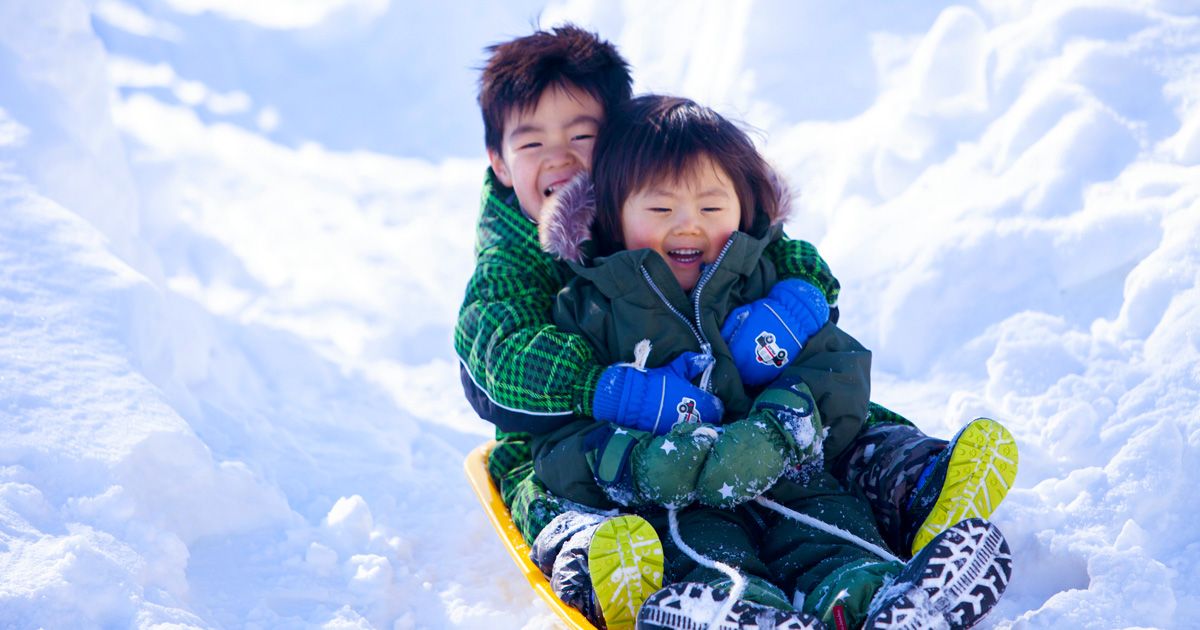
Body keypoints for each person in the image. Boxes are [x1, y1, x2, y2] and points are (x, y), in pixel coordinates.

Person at [454, 23, 1018, 627]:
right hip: (592, 436)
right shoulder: (532, 269)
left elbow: (778, 255)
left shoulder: (688, 210)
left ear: (620, 138)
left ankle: (912, 493)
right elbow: (498, 350)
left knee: (830, 451)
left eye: (582, 134)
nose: (561, 158)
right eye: (532, 143)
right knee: (612, 517)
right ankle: (623, 575)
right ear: (501, 162)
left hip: (751, 421)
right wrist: (612, 394)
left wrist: (792, 313)